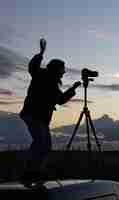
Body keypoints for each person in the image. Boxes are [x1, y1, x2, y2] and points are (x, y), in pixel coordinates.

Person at [19, 38, 81, 182]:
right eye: (62, 70)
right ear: (56, 69)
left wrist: (73, 89)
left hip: (39, 118)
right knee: (41, 143)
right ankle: (31, 171)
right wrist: (41, 54)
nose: (63, 73)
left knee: (44, 145)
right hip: (33, 115)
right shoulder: (41, 75)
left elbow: (60, 100)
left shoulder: (53, 84)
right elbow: (33, 67)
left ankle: (36, 171)